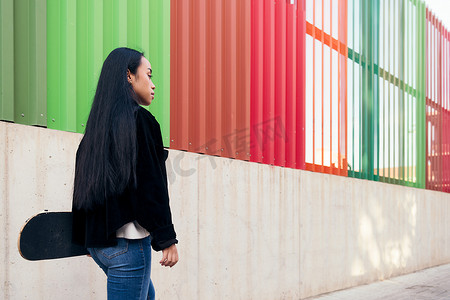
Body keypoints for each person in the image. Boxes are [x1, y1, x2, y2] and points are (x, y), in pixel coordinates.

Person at [72, 47, 179, 300]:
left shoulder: (96, 129)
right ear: (129, 76)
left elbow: (83, 187)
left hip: (101, 247)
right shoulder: (141, 121)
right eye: (149, 75)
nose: (153, 84)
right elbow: (151, 186)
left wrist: (84, 237)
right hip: (128, 247)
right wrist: (167, 238)